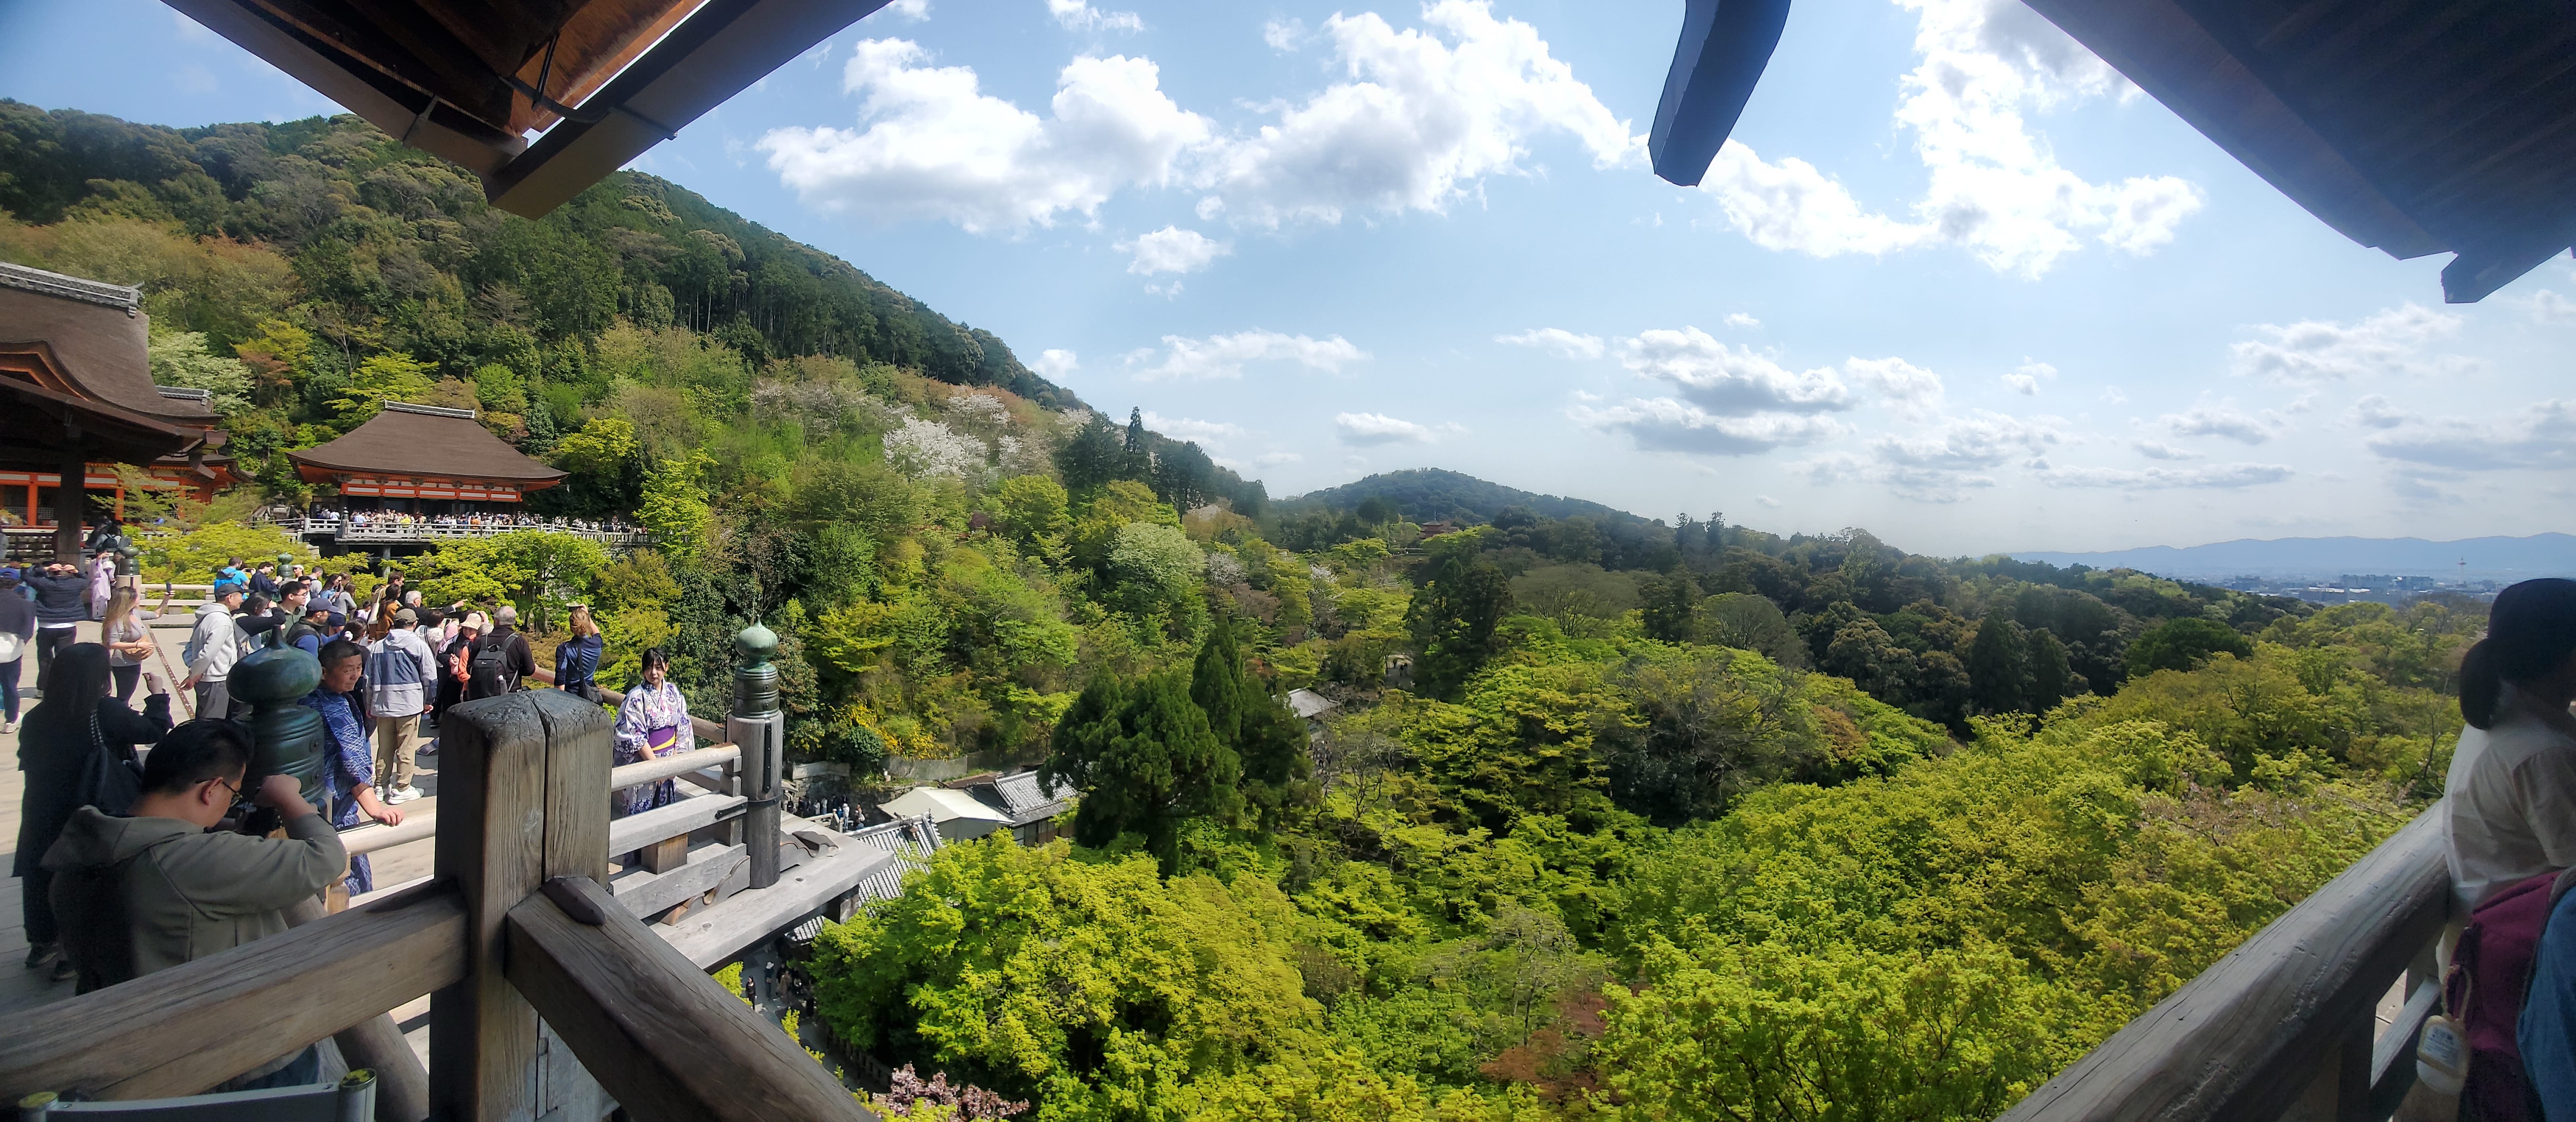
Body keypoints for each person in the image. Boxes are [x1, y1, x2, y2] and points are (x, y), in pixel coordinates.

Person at [44, 720, 344, 1088]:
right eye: (233, 795)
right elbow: (327, 857)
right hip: (237, 1062)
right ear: (212, 789)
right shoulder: (187, 864)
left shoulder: (79, 854)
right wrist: (288, 797)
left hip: (131, 1056)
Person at [14, 644, 171, 983]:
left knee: (42, 871)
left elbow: (28, 760)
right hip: (89, 806)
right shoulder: (104, 711)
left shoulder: (37, 716)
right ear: (101, 678)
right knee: (86, 876)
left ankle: (42, 942)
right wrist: (158, 696)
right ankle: (72, 952)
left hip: (42, 806)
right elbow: (155, 733)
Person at [2444, 578, 2576, 911]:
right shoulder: (2542, 752)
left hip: (2494, 929)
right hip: (2525, 946)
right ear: (2568, 657)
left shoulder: (2501, 714)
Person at [303, 638, 404, 895]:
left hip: (311, 801)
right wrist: (375, 808)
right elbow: (352, 761)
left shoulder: (312, 697)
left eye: (359, 668)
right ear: (324, 671)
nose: (355, 675)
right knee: (347, 880)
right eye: (348, 669)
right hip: (333, 805)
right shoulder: (331, 706)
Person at [611, 647, 695, 818]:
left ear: (667, 667)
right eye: (649, 668)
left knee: (666, 815)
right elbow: (635, 736)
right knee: (641, 817)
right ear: (643, 671)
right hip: (645, 762)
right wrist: (656, 768)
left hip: (671, 760)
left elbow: (683, 727)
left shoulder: (674, 693)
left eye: (658, 667)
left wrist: (673, 763)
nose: (654, 673)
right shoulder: (636, 696)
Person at [366, 608, 436, 805]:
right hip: (410, 702)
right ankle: (403, 787)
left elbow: (368, 680)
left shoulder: (377, 647)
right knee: (406, 748)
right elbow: (430, 677)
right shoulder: (418, 645)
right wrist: (429, 701)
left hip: (382, 702)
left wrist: (369, 704)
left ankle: (380, 785)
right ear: (414, 625)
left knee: (385, 746)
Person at [180, 582, 245, 720]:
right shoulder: (221, 620)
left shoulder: (208, 616)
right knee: (213, 722)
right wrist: (194, 674)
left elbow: (190, 646)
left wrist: (193, 668)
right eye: (241, 596)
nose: (243, 600)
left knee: (204, 719)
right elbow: (209, 653)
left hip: (206, 677)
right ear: (230, 598)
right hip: (216, 679)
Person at [24, 560, 88, 692]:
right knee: (65, 657)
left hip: (46, 625)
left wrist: (45, 568)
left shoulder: (44, 583)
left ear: (52, 573)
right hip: (68, 625)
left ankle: (43, 688)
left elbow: (27, 576)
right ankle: (63, 687)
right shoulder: (76, 584)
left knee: (45, 658)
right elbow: (87, 580)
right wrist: (77, 572)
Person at [98, 585, 157, 703]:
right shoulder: (118, 620)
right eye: (136, 597)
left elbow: (156, 615)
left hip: (134, 660)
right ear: (129, 600)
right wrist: (138, 646)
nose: (139, 599)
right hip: (123, 663)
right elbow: (113, 643)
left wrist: (166, 600)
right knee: (125, 695)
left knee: (127, 694)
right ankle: (121, 716)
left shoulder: (135, 613)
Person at [466, 604, 535, 700]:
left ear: (496, 621)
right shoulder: (519, 642)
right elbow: (530, 670)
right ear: (514, 622)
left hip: (479, 698)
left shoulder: (481, 641)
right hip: (508, 698)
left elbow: (469, 669)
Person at [0, 571, 31, 734]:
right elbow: (30, 630)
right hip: (11, 653)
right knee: (10, 687)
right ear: (17, 584)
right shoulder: (25, 605)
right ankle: (11, 721)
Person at [554, 604, 604, 703]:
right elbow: (596, 633)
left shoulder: (564, 649)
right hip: (588, 700)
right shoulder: (597, 645)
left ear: (571, 628)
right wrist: (587, 616)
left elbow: (560, 681)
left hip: (570, 700)